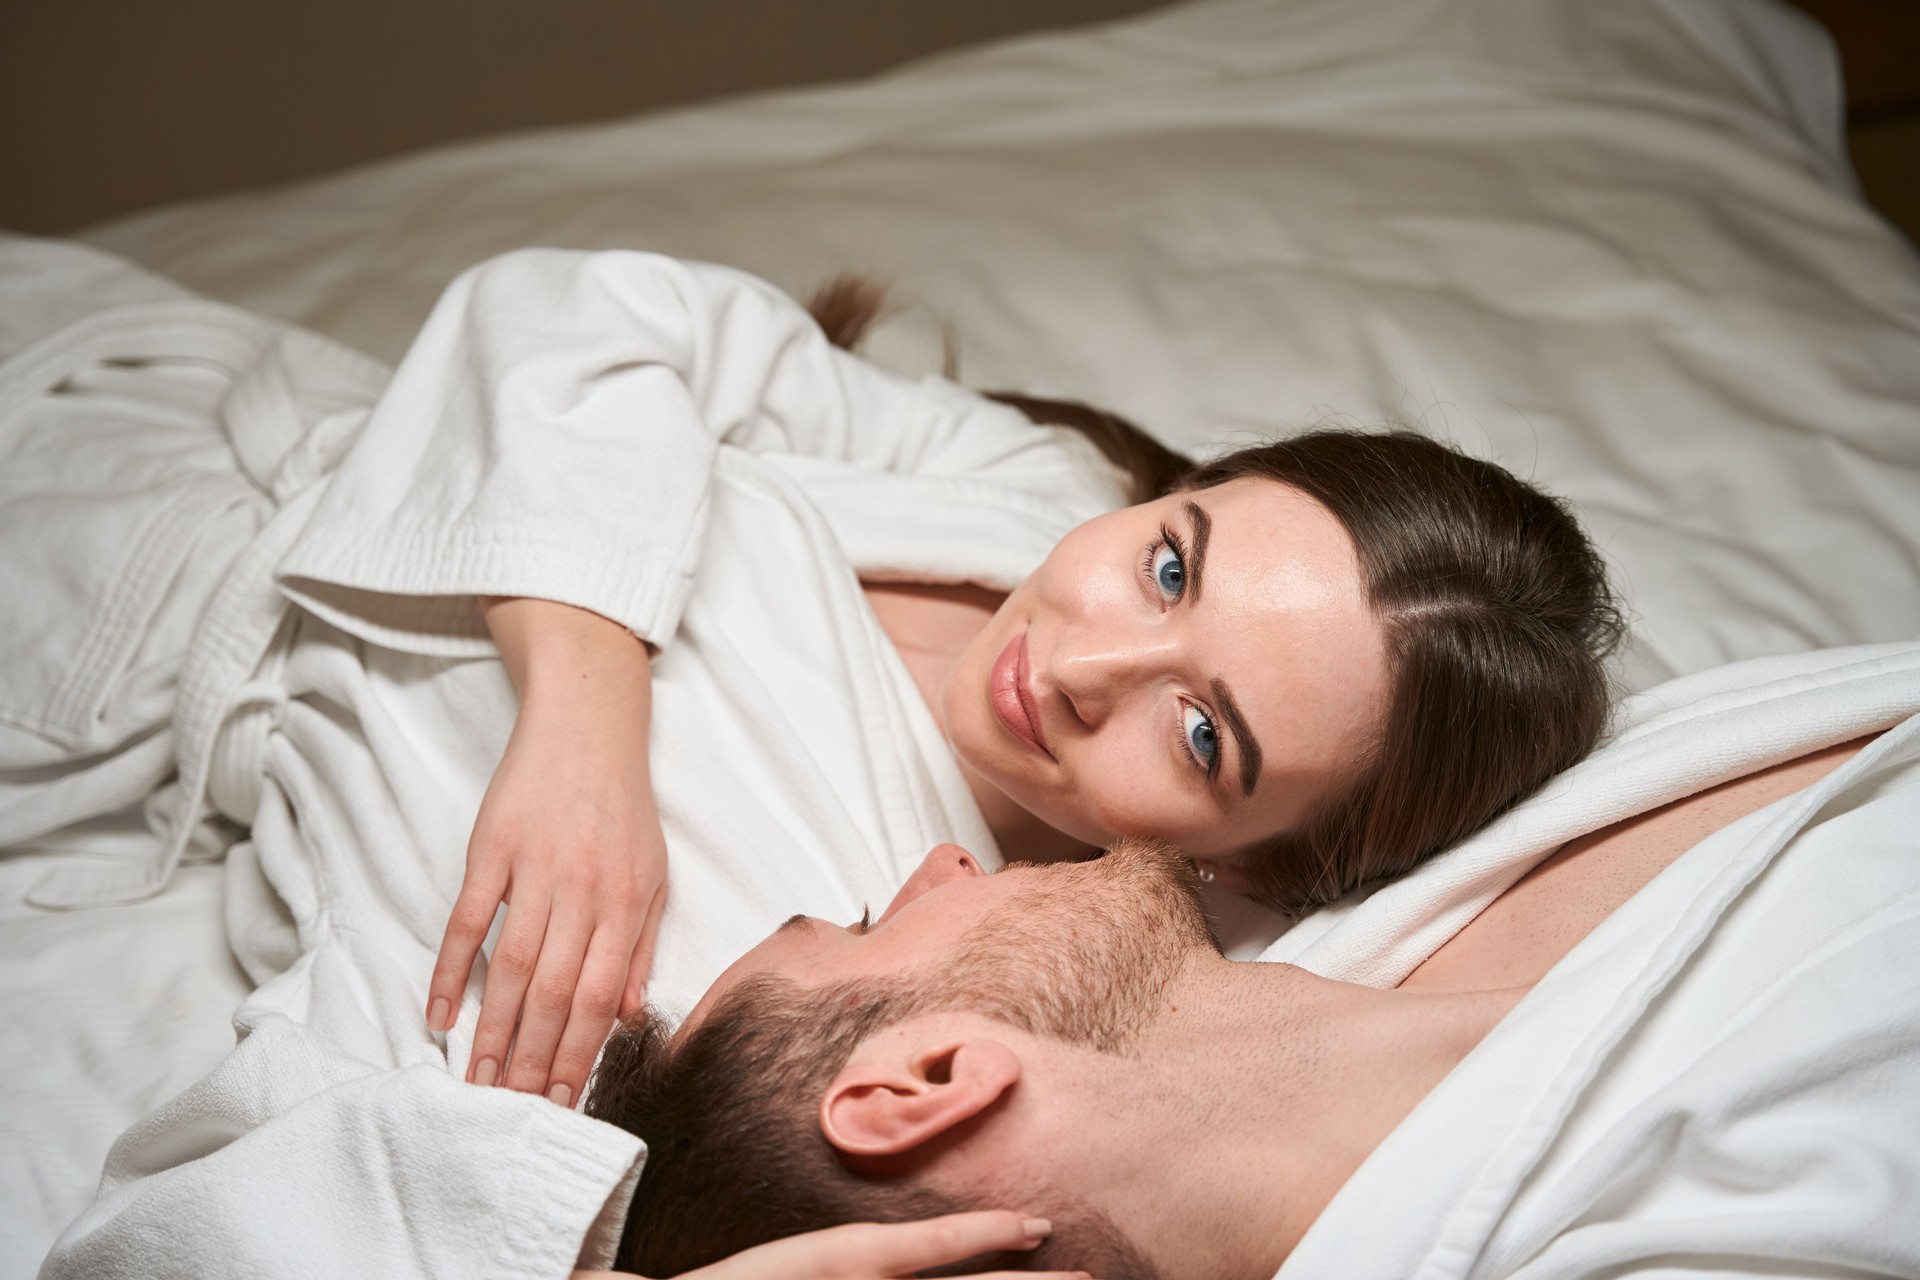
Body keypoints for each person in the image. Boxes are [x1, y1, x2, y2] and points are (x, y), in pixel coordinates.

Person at [6, 237, 1606, 1277]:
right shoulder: (1019, 485)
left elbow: (216, 1213)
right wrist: (583, 705)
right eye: (1172, 564)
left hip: (84, 621)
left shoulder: (802, 938)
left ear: (1243, 862)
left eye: (1203, 735)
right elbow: (574, 305)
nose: (1081, 660)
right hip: (173, 372)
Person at [583, 642, 1920, 1278]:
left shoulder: (1369, 877)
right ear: (928, 1076)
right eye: (878, 928)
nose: (941, 863)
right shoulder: (1692, 1235)